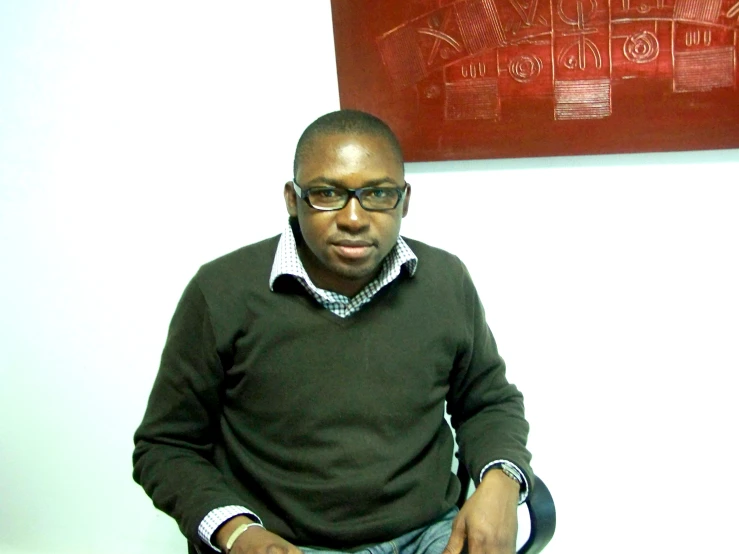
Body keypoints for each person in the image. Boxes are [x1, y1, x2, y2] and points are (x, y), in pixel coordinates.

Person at [133, 109, 533, 554]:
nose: (355, 218)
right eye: (327, 194)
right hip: (287, 544)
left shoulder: (444, 280)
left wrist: (501, 480)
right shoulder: (221, 292)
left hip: (430, 535)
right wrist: (238, 532)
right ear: (292, 198)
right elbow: (165, 446)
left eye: (379, 193)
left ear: (404, 200)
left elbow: (489, 402)